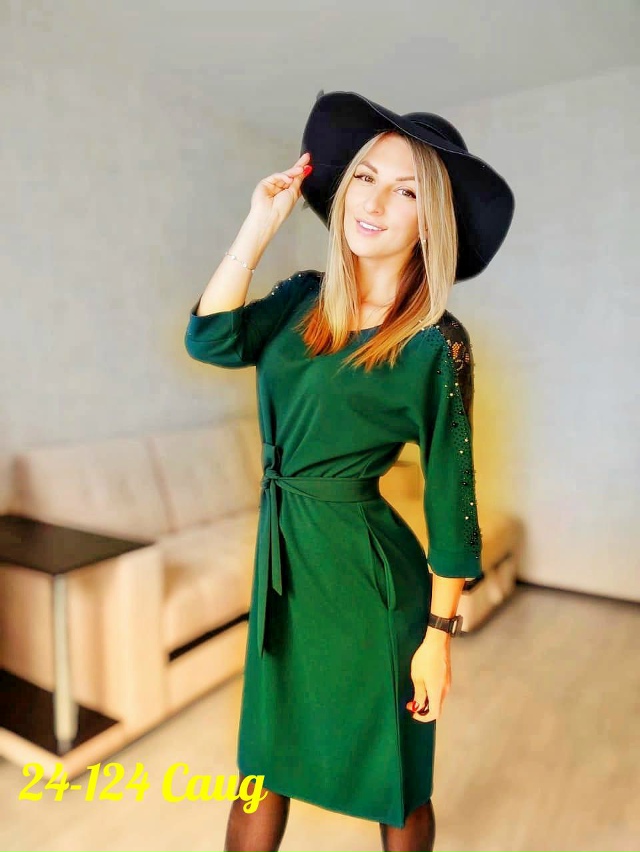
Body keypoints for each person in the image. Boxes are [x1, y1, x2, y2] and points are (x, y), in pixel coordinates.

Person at [184, 90, 515, 852]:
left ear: (430, 220)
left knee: (396, 788)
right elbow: (210, 339)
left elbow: (452, 503)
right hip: (285, 578)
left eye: (406, 192)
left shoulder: (436, 344)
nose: (374, 202)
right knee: (260, 773)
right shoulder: (302, 299)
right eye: (365, 177)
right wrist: (258, 226)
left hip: (372, 590)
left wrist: (437, 637)